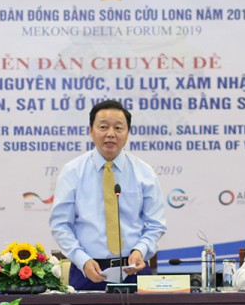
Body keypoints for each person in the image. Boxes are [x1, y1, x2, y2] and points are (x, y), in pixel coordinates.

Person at [50, 100, 167, 290]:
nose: (110, 134)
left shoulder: (144, 172)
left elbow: (156, 224)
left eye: (118, 128)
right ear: (91, 131)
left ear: (127, 132)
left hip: (133, 270)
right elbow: (60, 224)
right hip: (87, 271)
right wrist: (82, 260)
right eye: (103, 127)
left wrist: (141, 250)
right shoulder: (72, 171)